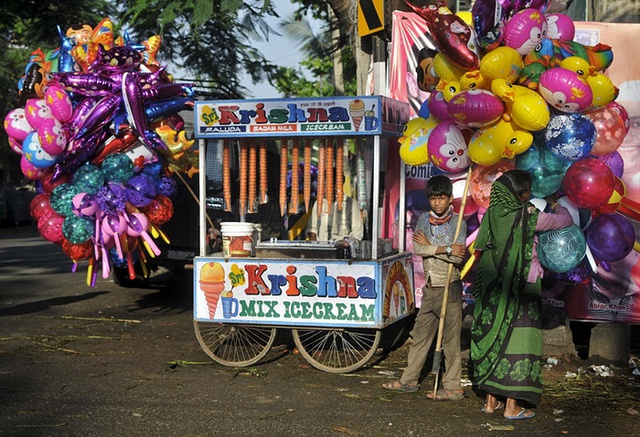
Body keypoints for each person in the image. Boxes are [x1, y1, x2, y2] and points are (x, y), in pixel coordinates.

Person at [470, 170, 573, 420]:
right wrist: (555, 203)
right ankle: (511, 407)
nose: (529, 197)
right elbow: (565, 220)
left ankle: (490, 402)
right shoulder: (528, 215)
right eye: (528, 192)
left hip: (493, 290)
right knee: (517, 342)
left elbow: (481, 248)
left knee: (495, 338)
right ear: (521, 194)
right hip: (523, 288)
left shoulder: (492, 214)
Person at [382, 174, 467, 400]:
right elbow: (418, 249)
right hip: (430, 288)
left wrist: (438, 248)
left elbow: (458, 259)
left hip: (450, 286)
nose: (437, 202)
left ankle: (453, 387)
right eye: (433, 198)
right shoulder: (423, 221)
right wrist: (443, 250)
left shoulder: (459, 223)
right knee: (420, 335)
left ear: (450, 199)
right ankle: (409, 380)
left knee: (450, 340)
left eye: (441, 198)